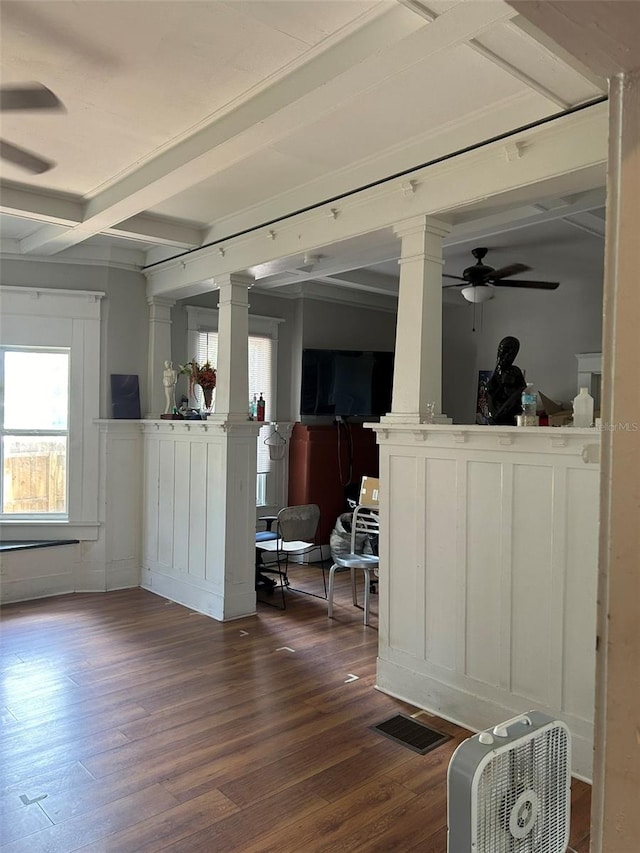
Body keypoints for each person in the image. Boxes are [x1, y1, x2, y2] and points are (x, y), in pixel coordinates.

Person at [486, 336, 526, 425]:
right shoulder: (497, 373)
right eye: (504, 351)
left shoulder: (515, 371)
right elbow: (491, 395)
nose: (506, 355)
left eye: (510, 352)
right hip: (496, 414)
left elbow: (519, 392)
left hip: (509, 415)